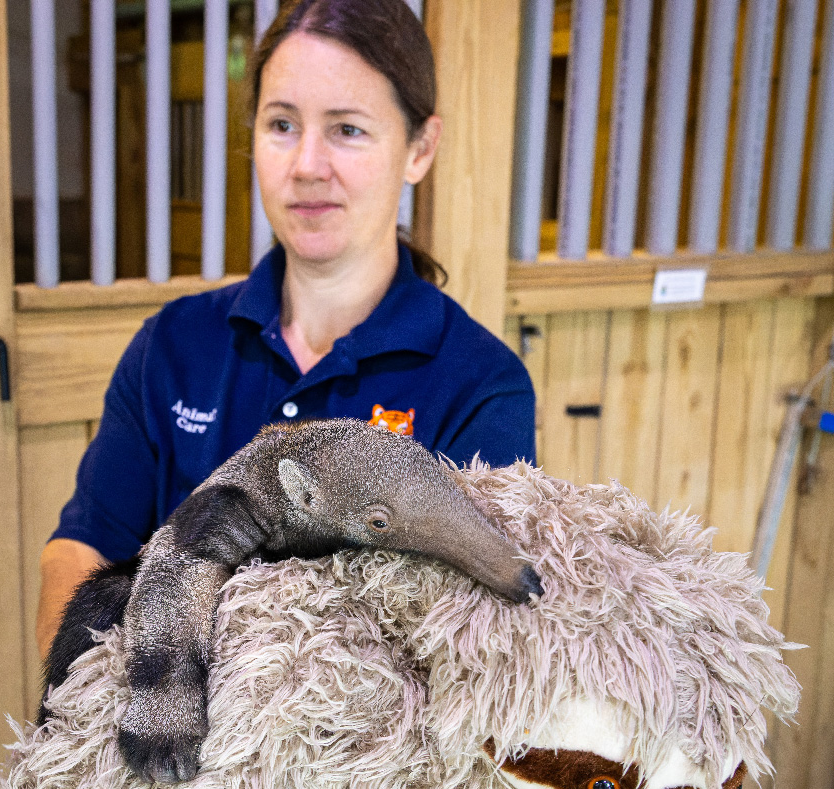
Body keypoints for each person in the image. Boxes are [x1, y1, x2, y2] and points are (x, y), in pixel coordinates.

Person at [36, 0, 536, 660]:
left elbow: (466, 643)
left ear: (420, 148)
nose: (305, 165)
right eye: (281, 124)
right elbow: (83, 551)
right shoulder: (173, 345)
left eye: (347, 130)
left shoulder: (480, 383)